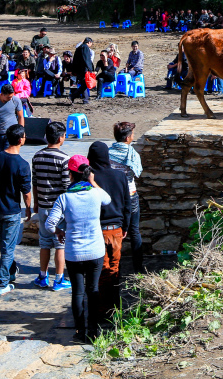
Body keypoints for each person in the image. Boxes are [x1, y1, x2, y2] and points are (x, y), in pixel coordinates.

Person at [45, 154, 110, 343]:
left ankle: (80, 332)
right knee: (93, 290)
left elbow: (49, 224)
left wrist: (58, 232)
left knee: (78, 292)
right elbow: (108, 199)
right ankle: (94, 330)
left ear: (70, 174)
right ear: (88, 173)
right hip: (96, 250)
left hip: (74, 253)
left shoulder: (64, 198)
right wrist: (93, 182)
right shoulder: (96, 193)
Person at [85, 141, 130, 321]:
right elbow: (128, 205)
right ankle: (115, 308)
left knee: (101, 271)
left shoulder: (90, 179)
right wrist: (125, 227)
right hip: (117, 230)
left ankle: (104, 311)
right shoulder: (120, 176)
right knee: (115, 269)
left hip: (98, 231)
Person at [0, 124, 32, 296]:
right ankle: (2, 283)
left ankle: (11, 271)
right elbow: (26, 192)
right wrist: (28, 209)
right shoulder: (22, 164)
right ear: (21, 140)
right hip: (11, 211)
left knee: (4, 244)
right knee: (8, 248)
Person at [32, 121, 71, 291]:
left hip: (42, 205)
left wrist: (36, 203)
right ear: (61, 138)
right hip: (58, 209)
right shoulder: (64, 159)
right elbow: (65, 187)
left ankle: (42, 276)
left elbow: (35, 182)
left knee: (44, 243)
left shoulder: (37, 156)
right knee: (60, 244)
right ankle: (59, 278)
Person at [109, 122, 144, 274]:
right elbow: (138, 172)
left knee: (114, 232)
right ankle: (138, 267)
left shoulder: (107, 153)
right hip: (130, 195)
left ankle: (115, 265)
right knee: (134, 232)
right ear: (128, 137)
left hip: (112, 198)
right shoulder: (132, 153)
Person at [0, 83, 25, 154]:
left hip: (12, 134)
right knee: (0, 155)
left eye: (11, 96)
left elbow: (20, 116)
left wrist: (22, 134)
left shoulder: (16, 100)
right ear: (2, 94)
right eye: (8, 97)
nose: (10, 98)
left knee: (9, 154)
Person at [70, 37, 95, 103]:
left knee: (83, 84)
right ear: (89, 42)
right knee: (85, 84)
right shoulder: (85, 47)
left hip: (78, 69)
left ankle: (85, 99)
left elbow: (75, 60)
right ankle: (73, 96)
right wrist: (90, 69)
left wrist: (74, 70)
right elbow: (86, 59)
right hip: (83, 69)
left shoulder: (79, 47)